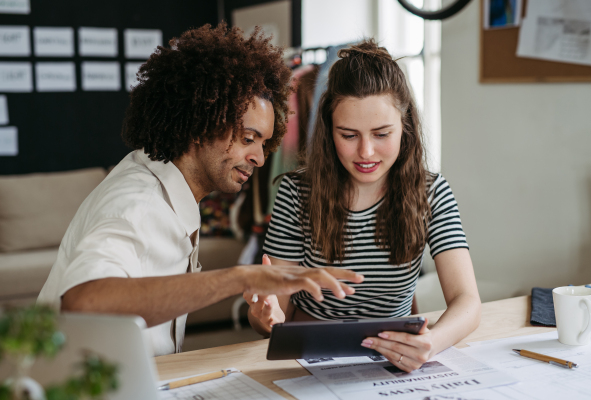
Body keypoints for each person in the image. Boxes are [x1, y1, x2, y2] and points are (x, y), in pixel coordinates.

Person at [37, 23, 364, 357]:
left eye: (264, 144)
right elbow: (82, 302)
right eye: (248, 138)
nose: (259, 158)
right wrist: (239, 277)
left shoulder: (166, 189)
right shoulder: (138, 203)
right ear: (201, 123)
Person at [247, 40, 481, 372]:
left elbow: (468, 302)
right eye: (349, 135)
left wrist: (432, 343)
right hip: (310, 355)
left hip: (395, 358)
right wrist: (264, 316)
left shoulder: (433, 192)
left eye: (382, 134)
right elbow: (274, 313)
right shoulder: (296, 193)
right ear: (329, 131)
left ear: (405, 126)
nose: (366, 152)